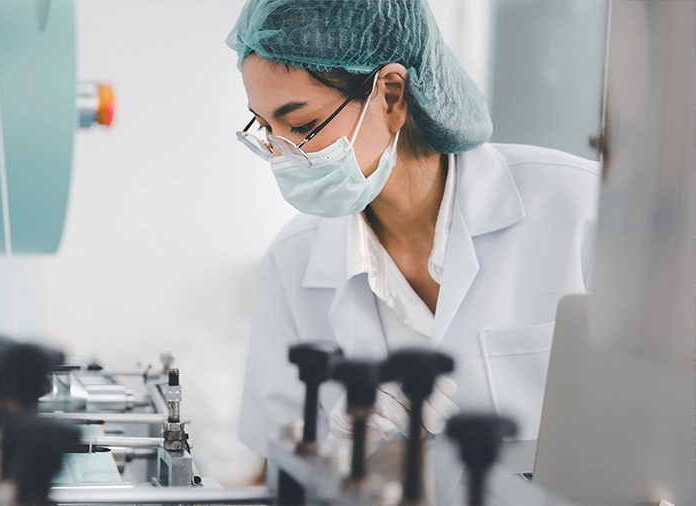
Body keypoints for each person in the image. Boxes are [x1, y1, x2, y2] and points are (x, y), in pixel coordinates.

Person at [227, 0, 600, 503]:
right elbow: (276, 473)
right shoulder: (293, 262)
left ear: (392, 96)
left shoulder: (579, 209)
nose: (283, 154)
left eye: (303, 125)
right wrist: (344, 458)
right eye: (266, 128)